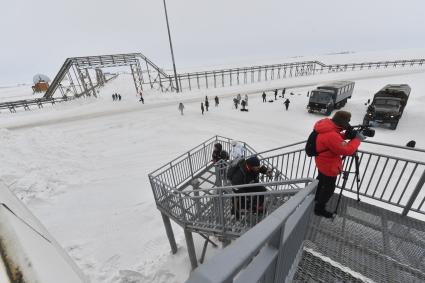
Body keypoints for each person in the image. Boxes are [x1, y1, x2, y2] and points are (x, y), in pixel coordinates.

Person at [313, 110, 364, 218]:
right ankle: (319, 209)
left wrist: (345, 135)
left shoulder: (326, 126)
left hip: (322, 161)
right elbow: (346, 150)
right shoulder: (331, 135)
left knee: (321, 181)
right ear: (342, 122)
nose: (348, 124)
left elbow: (335, 136)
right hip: (329, 166)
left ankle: (316, 198)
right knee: (328, 188)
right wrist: (357, 140)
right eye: (347, 122)